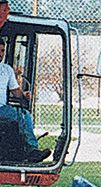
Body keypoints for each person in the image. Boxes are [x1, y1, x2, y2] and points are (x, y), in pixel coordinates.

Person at [0, 34, 51, 162]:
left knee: (24, 114)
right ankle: (31, 150)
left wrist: (24, 95)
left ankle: (22, 152)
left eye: (2, 51)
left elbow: (16, 91)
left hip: (2, 109)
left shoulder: (6, 70)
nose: (0, 54)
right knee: (22, 116)